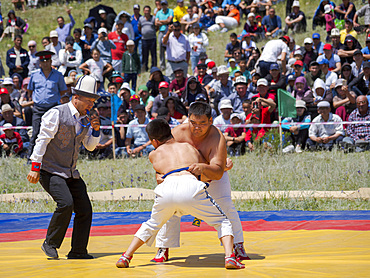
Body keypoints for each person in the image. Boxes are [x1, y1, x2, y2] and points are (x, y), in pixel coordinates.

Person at [115, 119, 244, 270]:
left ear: (154, 141)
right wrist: (223, 167)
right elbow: (206, 169)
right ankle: (230, 257)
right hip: (190, 185)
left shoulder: (153, 154)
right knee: (223, 222)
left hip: (165, 189)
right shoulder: (189, 147)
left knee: (151, 224)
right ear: (171, 132)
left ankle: (126, 256)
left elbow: (160, 176)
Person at [152, 102, 248, 263]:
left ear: (210, 121)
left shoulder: (217, 138)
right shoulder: (177, 133)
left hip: (211, 176)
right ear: (188, 119)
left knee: (226, 205)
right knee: (168, 207)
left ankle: (238, 244)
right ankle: (163, 247)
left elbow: (218, 172)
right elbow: (159, 155)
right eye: (193, 123)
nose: (197, 128)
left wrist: (204, 167)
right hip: (182, 177)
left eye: (202, 124)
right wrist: (159, 174)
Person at [26, 75, 101, 259]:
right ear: (76, 97)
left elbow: (90, 147)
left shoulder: (84, 119)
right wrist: (35, 167)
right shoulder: (56, 113)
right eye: (89, 101)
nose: (91, 105)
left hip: (70, 172)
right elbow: (41, 141)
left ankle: (78, 250)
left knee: (84, 209)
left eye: (93, 101)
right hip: (49, 170)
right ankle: (50, 244)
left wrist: (97, 130)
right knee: (66, 203)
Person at [27, 50, 67, 158]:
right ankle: (30, 157)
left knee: (54, 134)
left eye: (47, 60)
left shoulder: (58, 75)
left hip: (52, 108)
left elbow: (63, 91)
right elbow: (30, 90)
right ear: (40, 62)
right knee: (35, 133)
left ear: (51, 61)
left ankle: (55, 157)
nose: (45, 63)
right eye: (43, 61)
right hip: (38, 108)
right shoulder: (34, 75)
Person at [155, 0, 174, 71]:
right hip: (161, 31)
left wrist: (161, 21)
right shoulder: (158, 12)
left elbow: (169, 20)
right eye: (162, 5)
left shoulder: (170, 11)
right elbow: (156, 23)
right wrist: (165, 21)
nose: (164, 6)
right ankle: (162, 65)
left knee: (170, 47)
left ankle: (170, 62)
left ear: (167, 5)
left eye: (165, 4)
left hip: (168, 31)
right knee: (161, 49)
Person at [139, 5, 158, 72]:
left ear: (150, 11)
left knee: (153, 54)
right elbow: (139, 27)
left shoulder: (153, 18)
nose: (147, 12)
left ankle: (154, 67)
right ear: (143, 11)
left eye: (148, 11)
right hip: (144, 39)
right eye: (145, 10)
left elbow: (157, 27)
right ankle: (144, 67)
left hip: (152, 39)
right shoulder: (141, 19)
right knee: (144, 54)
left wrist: (151, 32)